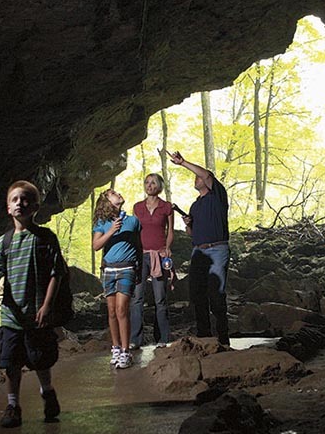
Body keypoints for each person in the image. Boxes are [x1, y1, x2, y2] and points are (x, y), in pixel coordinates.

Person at [0, 180, 66, 428]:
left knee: (40, 359)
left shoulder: (45, 238)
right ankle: (13, 406)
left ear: (36, 207)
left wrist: (47, 306)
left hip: (38, 314)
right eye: (15, 199)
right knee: (11, 363)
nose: (20, 203)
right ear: (8, 208)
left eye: (25, 199)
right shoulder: (3, 243)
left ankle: (47, 391)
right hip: (12, 316)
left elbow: (56, 273)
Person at [167, 150, 230, 345]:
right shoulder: (195, 206)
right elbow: (191, 234)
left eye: (198, 177)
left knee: (216, 293)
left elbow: (207, 174)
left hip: (217, 249)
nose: (197, 178)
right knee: (197, 293)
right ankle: (204, 336)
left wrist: (183, 162)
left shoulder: (218, 196)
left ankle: (223, 337)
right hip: (199, 251)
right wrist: (188, 224)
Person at [92, 189, 141, 368]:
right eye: (113, 193)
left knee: (122, 310)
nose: (119, 193)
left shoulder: (133, 221)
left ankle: (126, 352)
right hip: (108, 270)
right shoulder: (102, 222)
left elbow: (138, 246)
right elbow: (96, 245)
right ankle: (116, 348)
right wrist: (112, 230)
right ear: (106, 201)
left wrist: (140, 270)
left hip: (127, 268)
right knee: (111, 311)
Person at [130, 173, 175, 350]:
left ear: (160, 186)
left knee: (160, 298)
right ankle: (135, 339)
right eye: (147, 182)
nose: (149, 185)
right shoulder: (137, 207)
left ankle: (162, 338)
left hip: (159, 255)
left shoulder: (166, 207)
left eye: (153, 182)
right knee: (137, 298)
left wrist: (167, 247)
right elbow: (134, 231)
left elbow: (170, 231)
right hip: (140, 256)